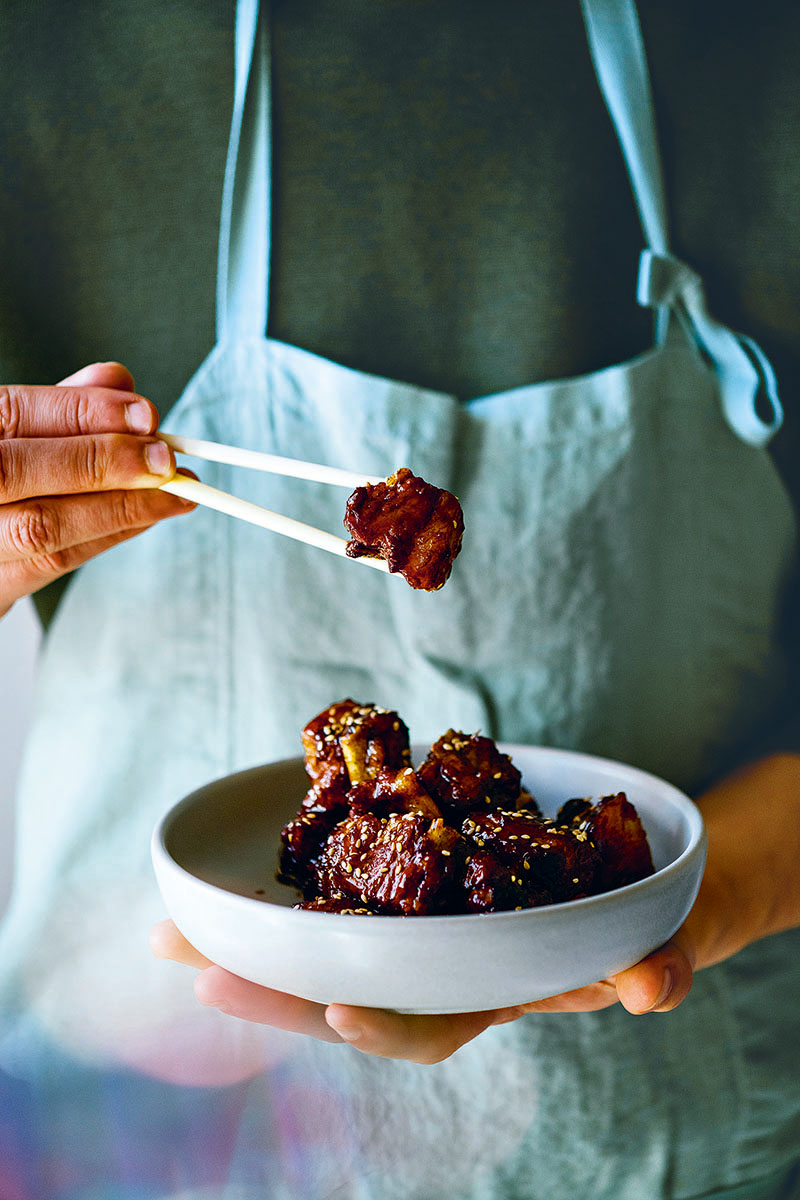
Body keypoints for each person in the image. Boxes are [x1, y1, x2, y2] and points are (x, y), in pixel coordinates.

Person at [0, 1, 799, 1198]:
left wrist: (692, 902)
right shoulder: (43, 54)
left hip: (674, 1147)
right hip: (130, 1133)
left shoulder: (754, 45)